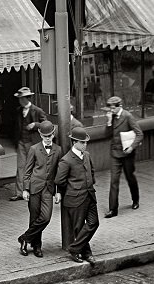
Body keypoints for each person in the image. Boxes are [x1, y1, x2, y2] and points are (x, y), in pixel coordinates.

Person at [55, 126, 99, 265]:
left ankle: (74, 248)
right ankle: (86, 253)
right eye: (82, 142)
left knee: (93, 223)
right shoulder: (66, 160)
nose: (85, 144)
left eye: (86, 142)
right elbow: (59, 180)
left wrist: (90, 182)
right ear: (74, 142)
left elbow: (91, 171)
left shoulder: (86, 155)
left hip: (89, 195)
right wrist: (71, 190)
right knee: (79, 227)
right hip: (75, 199)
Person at [18, 120, 62, 257]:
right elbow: (28, 171)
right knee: (34, 217)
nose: (48, 139)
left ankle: (24, 238)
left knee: (46, 217)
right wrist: (25, 189)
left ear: (53, 134)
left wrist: (58, 191)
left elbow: (60, 173)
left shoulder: (58, 150)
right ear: (40, 135)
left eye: (50, 136)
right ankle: (36, 246)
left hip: (49, 188)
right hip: (34, 187)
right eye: (45, 136)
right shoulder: (34, 149)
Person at [104, 95, 144, 217]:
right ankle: (113, 209)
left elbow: (139, 134)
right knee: (113, 181)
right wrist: (109, 122)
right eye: (110, 108)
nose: (111, 111)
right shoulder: (112, 117)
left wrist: (132, 147)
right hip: (115, 153)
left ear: (119, 106)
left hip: (127, 153)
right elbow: (107, 135)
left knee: (130, 177)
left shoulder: (127, 116)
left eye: (113, 108)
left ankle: (135, 199)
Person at [10, 87, 47, 200]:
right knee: (21, 167)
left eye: (21, 98)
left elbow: (46, 125)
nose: (19, 101)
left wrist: (35, 124)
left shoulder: (38, 110)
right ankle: (19, 193)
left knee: (34, 167)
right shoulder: (18, 110)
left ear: (26, 98)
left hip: (33, 142)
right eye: (19, 99)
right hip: (21, 141)